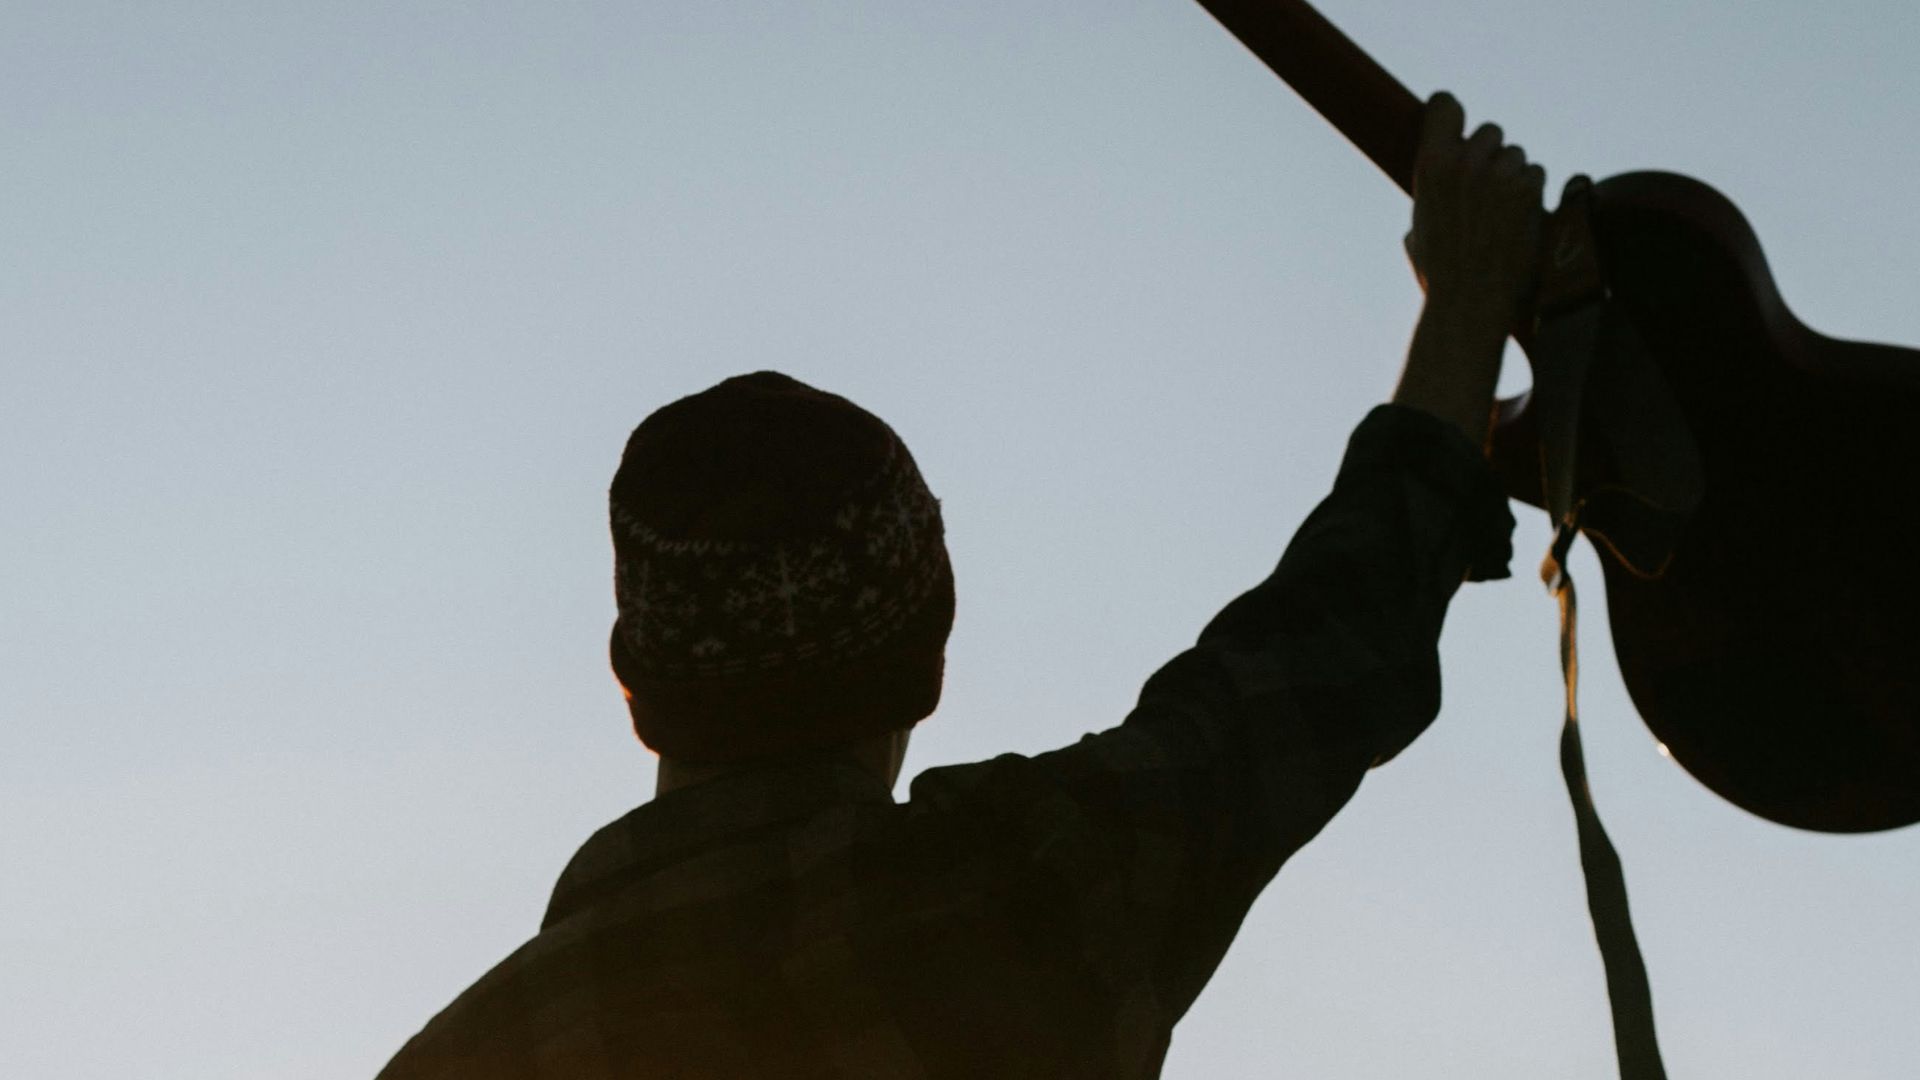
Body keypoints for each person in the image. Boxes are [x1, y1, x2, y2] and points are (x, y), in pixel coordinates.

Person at [376, 91, 1541, 1079]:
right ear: (923, 662)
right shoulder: (1009, 896)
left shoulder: (452, 1061)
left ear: (640, 681)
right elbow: (1312, 666)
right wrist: (1467, 299)